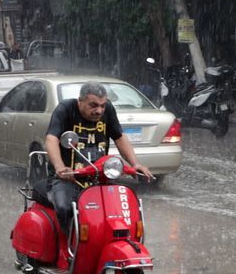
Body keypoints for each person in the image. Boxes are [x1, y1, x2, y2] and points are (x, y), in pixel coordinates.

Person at [45, 81, 154, 235]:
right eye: (93, 105)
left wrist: (135, 164)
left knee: (119, 211)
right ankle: (70, 248)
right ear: (80, 101)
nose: (99, 110)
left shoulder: (108, 110)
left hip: (99, 177)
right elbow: (51, 139)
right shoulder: (66, 109)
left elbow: (119, 137)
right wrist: (60, 167)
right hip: (67, 178)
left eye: (102, 105)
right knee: (65, 208)